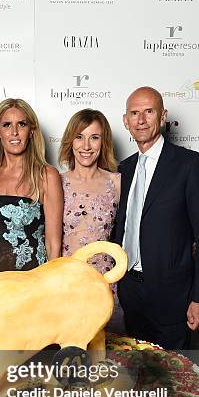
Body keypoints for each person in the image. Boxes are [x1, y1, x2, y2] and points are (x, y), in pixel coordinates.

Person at [113, 86, 199, 349]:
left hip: (174, 298)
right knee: (138, 378)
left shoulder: (190, 165)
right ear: (125, 121)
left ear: (163, 116)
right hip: (130, 293)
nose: (141, 120)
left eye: (149, 111)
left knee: (174, 381)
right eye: (134, 113)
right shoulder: (122, 170)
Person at [0, 98, 63, 284]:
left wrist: (53, 287)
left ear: (32, 131)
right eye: (7, 125)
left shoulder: (47, 176)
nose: (15, 132)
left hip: (28, 282)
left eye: (22, 124)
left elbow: (53, 243)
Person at [59, 108, 124, 333]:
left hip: (105, 283)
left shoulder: (116, 182)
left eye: (94, 137)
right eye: (79, 137)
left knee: (108, 357)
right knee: (68, 357)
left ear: (103, 142)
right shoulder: (57, 182)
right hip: (66, 284)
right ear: (70, 141)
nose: (86, 146)